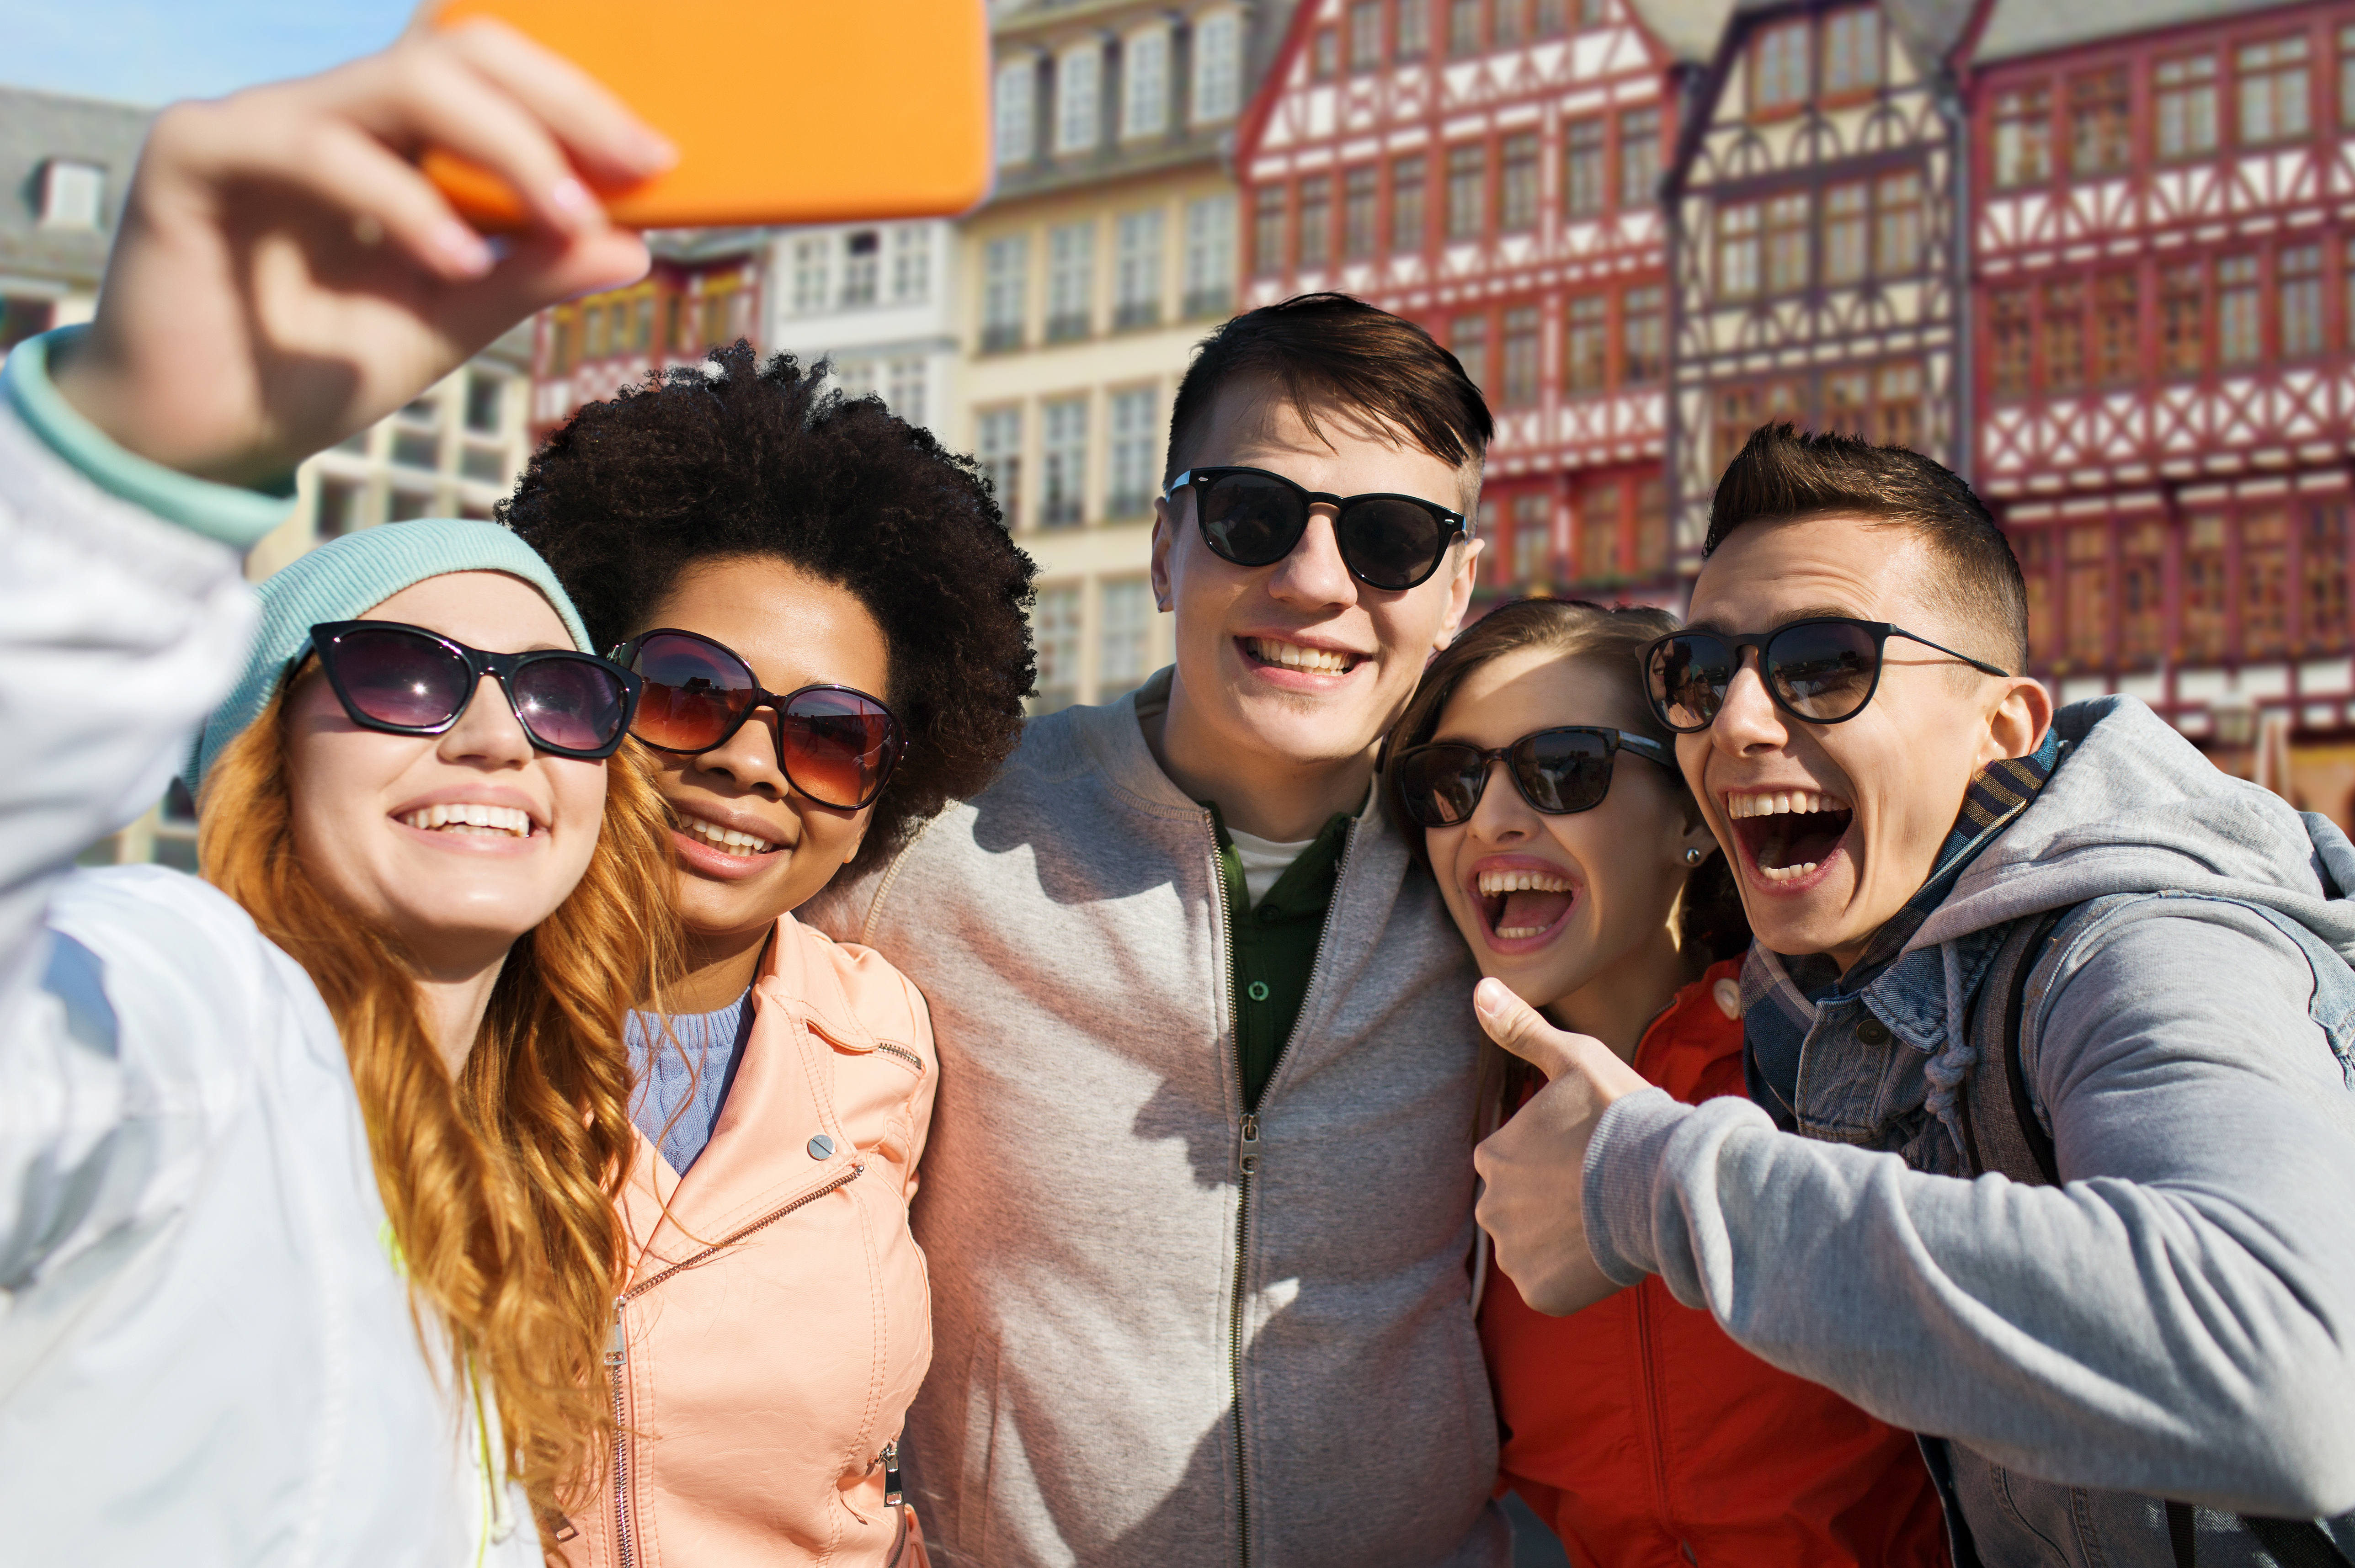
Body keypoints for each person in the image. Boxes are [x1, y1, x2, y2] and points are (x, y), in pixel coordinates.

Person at [1473, 424, 2355, 1568]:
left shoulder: (2143, 944)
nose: (1735, 721)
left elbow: (2282, 1384)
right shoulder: (1823, 984)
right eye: (1697, 674)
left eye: (1826, 664)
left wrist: (1648, 1184)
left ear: (2004, 728)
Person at [0, 0, 680, 1562]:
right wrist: (130, 473)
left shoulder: (536, 1174)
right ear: (255, 751)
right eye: (397, 673)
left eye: (560, 694)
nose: (492, 735)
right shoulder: (175, 1014)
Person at [805, 293, 1508, 1567]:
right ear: (1163, 547)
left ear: (1456, 591)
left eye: (1392, 540)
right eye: (1253, 515)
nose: (1313, 584)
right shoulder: (941, 837)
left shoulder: (1503, 875)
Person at [501, 340, 1038, 1566]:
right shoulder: (417, 1012)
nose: (750, 763)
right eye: (690, 691)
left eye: (832, 736)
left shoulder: (889, 1041)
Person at [1384, 595, 1951, 1568]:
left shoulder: (1855, 1067)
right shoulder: (1450, 1131)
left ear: (1691, 819)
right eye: (1452, 780)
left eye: (1562, 769)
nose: (1489, 819)